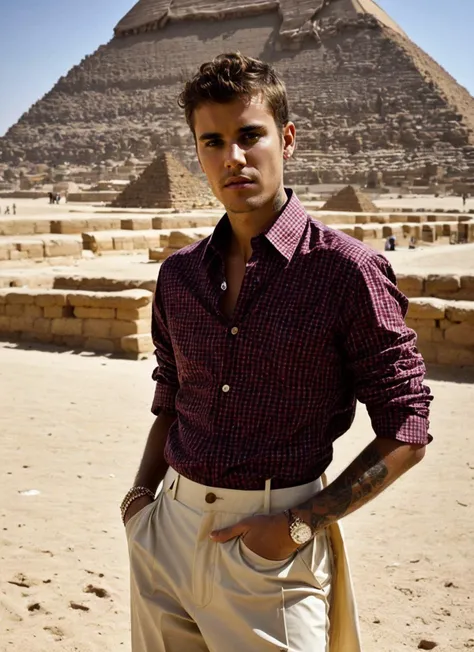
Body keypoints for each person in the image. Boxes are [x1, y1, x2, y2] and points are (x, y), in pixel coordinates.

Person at [122, 53, 432, 652]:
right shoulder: (179, 276)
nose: (232, 158)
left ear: (286, 139)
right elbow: (171, 396)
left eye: (249, 135)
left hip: (271, 545)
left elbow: (408, 429)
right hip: (166, 535)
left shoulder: (348, 273)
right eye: (212, 141)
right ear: (196, 153)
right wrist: (141, 502)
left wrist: (298, 525)